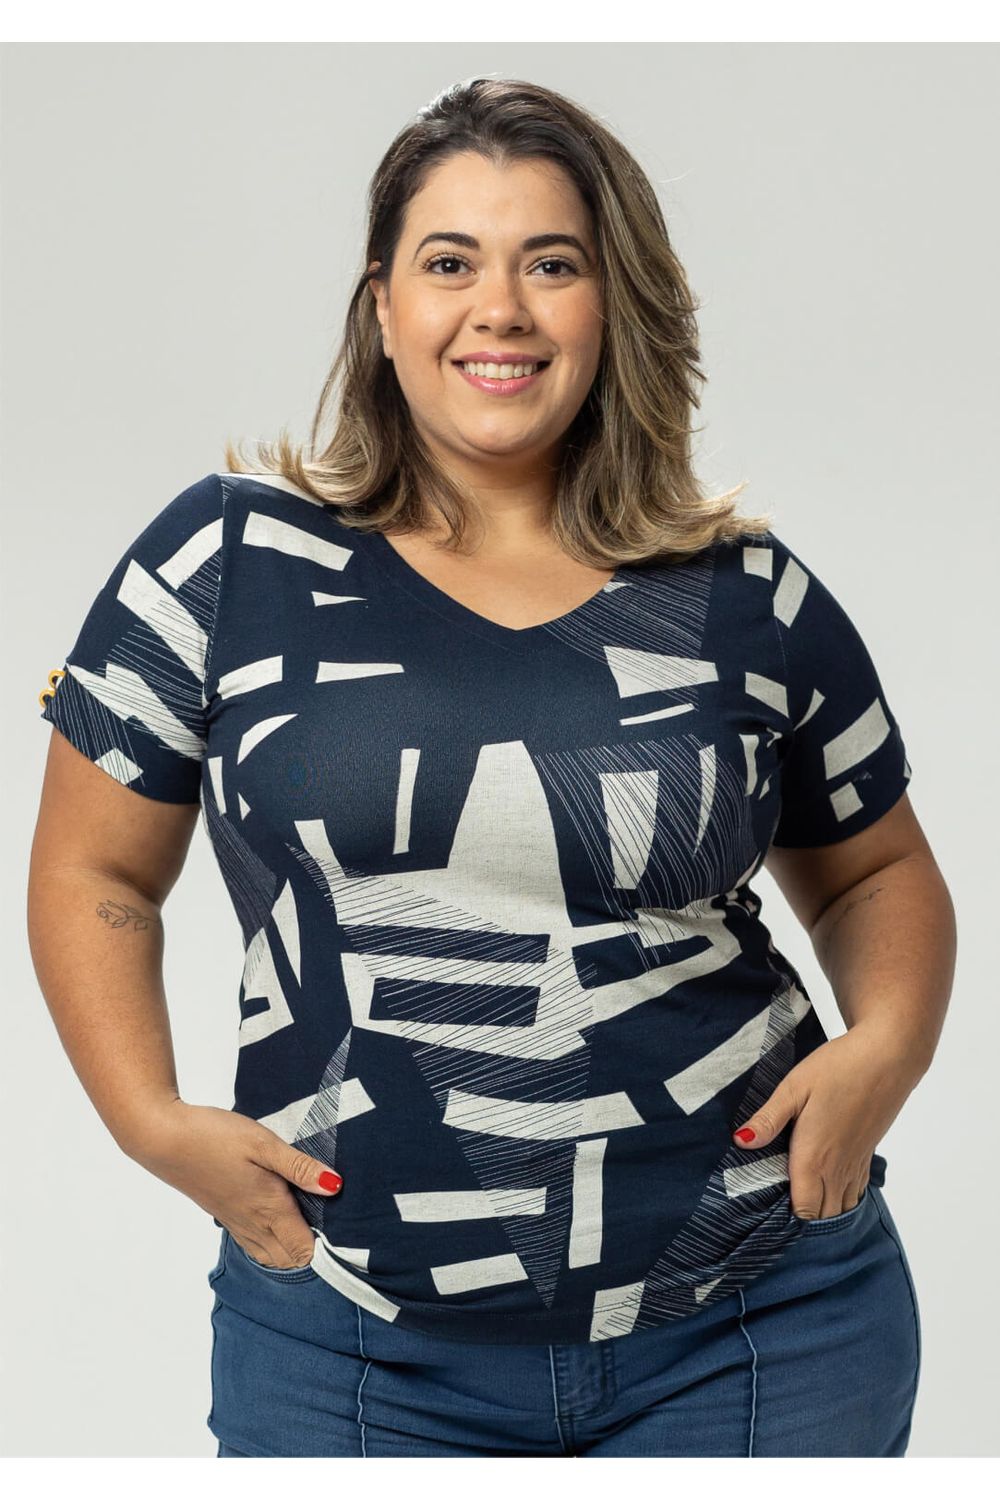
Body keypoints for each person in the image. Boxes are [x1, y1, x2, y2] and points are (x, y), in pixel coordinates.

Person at [28, 76, 954, 1459]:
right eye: (450, 262)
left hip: (763, 1328)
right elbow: (93, 870)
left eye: (553, 264)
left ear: (613, 303)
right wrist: (146, 1121)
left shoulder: (742, 594)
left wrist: (887, 1048)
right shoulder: (228, 565)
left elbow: (878, 870)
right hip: (347, 1340)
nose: (500, 309)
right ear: (383, 305)